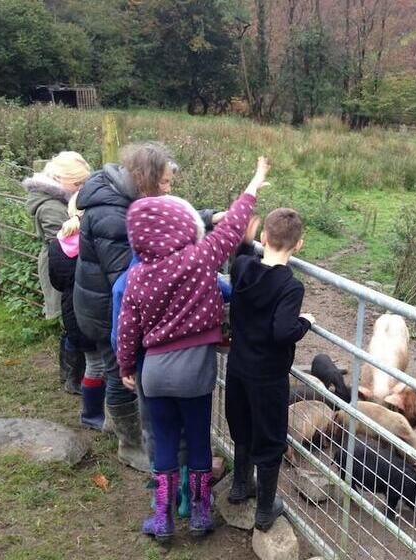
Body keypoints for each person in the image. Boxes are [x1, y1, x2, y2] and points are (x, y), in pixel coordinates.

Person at [116, 157, 270, 542]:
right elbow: (234, 227)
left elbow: (127, 327)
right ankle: (201, 516)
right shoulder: (199, 259)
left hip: (154, 370)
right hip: (195, 369)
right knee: (199, 441)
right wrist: (254, 183)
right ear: (182, 226)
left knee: (165, 443)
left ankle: (163, 520)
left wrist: (125, 366)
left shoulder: (136, 276)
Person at [74, 142, 173, 472]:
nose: (169, 189)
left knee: (113, 367)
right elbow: (129, 280)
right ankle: (130, 445)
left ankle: (114, 421)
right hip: (106, 309)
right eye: (165, 183)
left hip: (99, 300)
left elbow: (166, 213)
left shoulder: (123, 197)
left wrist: (203, 217)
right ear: (146, 179)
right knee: (120, 372)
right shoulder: (113, 218)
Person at [225, 206, 315, 532]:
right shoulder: (291, 287)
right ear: (299, 245)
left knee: (242, 425)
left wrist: (247, 242)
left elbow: (242, 258)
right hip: (268, 377)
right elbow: (282, 331)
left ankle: (239, 486)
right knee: (271, 438)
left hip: (237, 368)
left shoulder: (244, 268)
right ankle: (265, 510)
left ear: (264, 238)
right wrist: (304, 323)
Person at [23, 151, 92, 392]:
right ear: (61, 179)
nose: (81, 188)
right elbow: (62, 245)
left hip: (61, 261)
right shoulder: (52, 206)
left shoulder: (58, 197)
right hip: (61, 265)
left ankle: (71, 374)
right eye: (78, 183)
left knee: (70, 318)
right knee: (70, 319)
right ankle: (72, 377)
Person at [47, 196, 105, 427]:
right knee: (103, 365)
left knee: (94, 363)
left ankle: (93, 414)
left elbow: (57, 282)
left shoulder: (57, 243)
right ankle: (93, 415)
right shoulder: (94, 242)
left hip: (72, 310)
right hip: (96, 310)